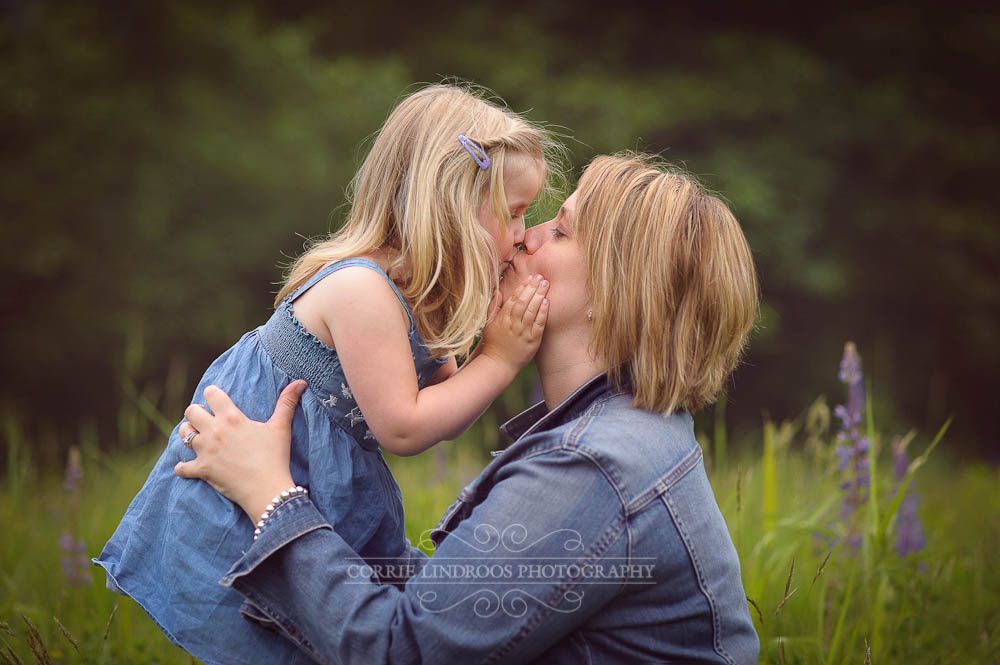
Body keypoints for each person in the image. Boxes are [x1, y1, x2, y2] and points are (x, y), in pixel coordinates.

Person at [177, 153, 762, 664]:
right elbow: (453, 611)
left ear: (618, 292)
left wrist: (271, 498)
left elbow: (401, 651)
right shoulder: (628, 436)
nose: (526, 238)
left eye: (561, 232)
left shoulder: (594, 465)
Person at [94, 83, 560, 665]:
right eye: (513, 212)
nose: (522, 232)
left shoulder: (422, 294)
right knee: (262, 632)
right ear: (450, 205)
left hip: (319, 482)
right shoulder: (362, 290)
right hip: (255, 477)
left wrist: (487, 336)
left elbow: (446, 412)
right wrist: (500, 360)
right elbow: (406, 427)